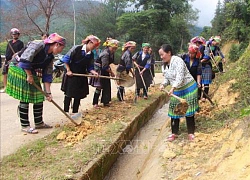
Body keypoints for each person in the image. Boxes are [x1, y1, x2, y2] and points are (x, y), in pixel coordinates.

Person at [6, 33, 66, 134]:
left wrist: (48, 93)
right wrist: (29, 76)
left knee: (39, 96)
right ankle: (25, 125)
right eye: (61, 48)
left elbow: (47, 74)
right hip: (19, 66)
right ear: (57, 45)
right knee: (25, 96)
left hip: (30, 70)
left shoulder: (50, 57)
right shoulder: (37, 44)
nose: (61, 51)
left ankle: (39, 123)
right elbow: (25, 60)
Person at [159, 44, 199, 141]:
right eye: (160, 55)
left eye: (162, 54)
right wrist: (163, 85)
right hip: (177, 89)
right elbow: (168, 78)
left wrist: (173, 88)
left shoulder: (178, 61)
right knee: (174, 111)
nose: (161, 57)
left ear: (169, 53)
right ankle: (174, 133)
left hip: (188, 88)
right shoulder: (164, 66)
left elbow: (180, 77)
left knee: (188, 111)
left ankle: (190, 132)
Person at [61, 35, 100, 115]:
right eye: (94, 45)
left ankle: (75, 111)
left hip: (81, 74)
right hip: (72, 73)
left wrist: (93, 72)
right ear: (89, 42)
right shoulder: (76, 48)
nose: (94, 47)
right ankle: (66, 111)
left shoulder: (91, 54)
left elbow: (90, 66)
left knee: (78, 94)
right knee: (69, 93)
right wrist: (68, 70)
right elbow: (66, 60)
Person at [91, 38, 119, 108]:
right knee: (99, 87)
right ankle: (95, 103)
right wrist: (111, 73)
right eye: (113, 48)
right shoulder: (105, 54)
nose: (114, 50)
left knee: (107, 86)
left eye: (115, 48)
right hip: (100, 71)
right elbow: (104, 66)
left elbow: (110, 63)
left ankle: (105, 101)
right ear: (109, 47)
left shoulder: (111, 53)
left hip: (106, 70)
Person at [1, 28, 24, 93]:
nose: (14, 35)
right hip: (7, 60)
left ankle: (15, 89)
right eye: (13, 34)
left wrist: (16, 57)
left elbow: (21, 51)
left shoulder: (20, 43)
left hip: (15, 61)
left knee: (14, 74)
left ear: (18, 35)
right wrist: (6, 59)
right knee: (5, 73)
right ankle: (5, 88)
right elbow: (7, 51)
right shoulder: (9, 42)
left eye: (15, 34)